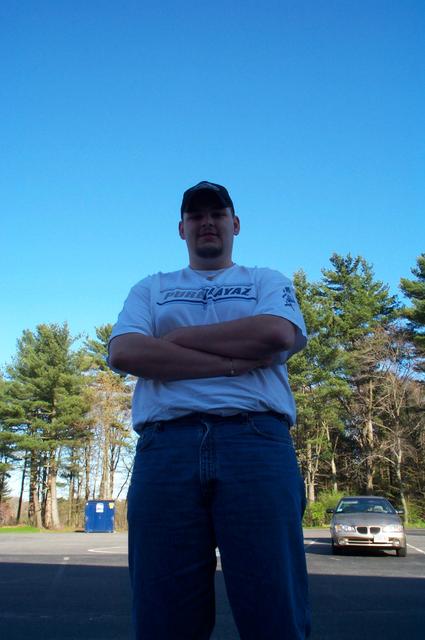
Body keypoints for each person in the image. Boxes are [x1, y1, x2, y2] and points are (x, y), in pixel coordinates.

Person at [108, 181, 310, 640]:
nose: (207, 222)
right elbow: (125, 352)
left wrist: (176, 341)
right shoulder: (152, 288)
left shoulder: (266, 281)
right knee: (163, 616)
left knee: (274, 610)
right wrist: (235, 363)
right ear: (182, 229)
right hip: (166, 448)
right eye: (196, 216)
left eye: (217, 214)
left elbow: (277, 334)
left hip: (256, 444)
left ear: (235, 224)